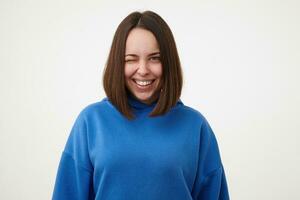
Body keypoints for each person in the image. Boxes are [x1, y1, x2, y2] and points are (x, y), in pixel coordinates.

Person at [52, 10, 230, 200]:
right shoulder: (90, 122)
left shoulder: (195, 126)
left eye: (155, 58)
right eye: (131, 59)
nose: (143, 70)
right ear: (117, 64)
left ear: (168, 63)